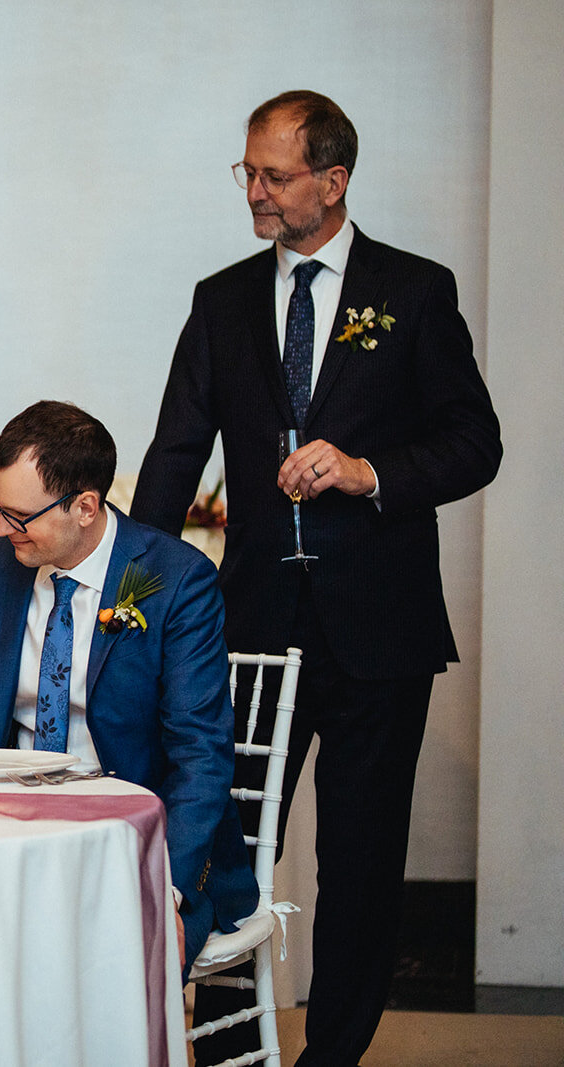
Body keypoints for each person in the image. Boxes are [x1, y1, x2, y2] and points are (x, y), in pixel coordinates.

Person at [130, 91, 502, 1065]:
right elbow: (175, 455)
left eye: (273, 174)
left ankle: (329, 1056)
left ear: (331, 182)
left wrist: (366, 471)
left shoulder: (413, 290)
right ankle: (217, 1044)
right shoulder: (220, 300)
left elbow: (475, 442)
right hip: (250, 623)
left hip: (380, 632)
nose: (252, 190)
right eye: (245, 171)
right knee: (218, 844)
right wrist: (126, 592)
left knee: (362, 865)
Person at [0, 400, 256, 969]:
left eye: (19, 516)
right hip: (10, 832)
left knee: (90, 954)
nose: (2, 528)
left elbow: (200, 757)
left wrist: (167, 888)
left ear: (85, 506)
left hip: (129, 837)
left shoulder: (176, 580)